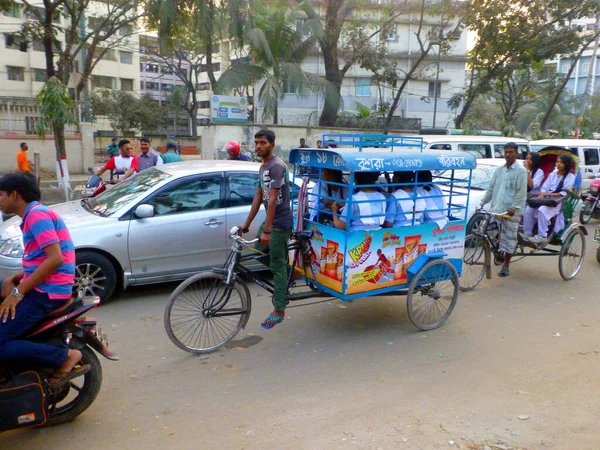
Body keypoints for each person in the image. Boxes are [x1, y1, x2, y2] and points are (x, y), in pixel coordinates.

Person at [0, 172, 88, 387]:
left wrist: (17, 293)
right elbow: (39, 259)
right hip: (44, 286)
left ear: (14, 195)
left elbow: (55, 259)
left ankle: (64, 356)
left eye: (1, 194)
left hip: (47, 294)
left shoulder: (37, 216)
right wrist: (16, 278)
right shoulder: (32, 216)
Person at [239, 129, 293, 330]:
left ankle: (279, 310)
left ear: (272, 144)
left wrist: (268, 230)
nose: (258, 146)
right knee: (259, 254)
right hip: (271, 220)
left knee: (276, 264)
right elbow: (258, 196)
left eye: (262, 142)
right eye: (256, 143)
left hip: (280, 222)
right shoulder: (263, 167)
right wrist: (247, 224)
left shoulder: (277, 166)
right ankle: (290, 275)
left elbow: (272, 199)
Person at [478, 142, 527, 277]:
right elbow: (491, 188)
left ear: (516, 154)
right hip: (497, 208)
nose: (508, 154)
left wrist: (514, 207)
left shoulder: (521, 171)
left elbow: (521, 192)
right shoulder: (499, 170)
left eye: (511, 152)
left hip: (511, 211)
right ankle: (498, 252)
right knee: (489, 231)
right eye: (506, 152)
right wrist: (482, 203)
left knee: (509, 238)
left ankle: (506, 265)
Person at [523, 153, 576, 245]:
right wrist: (542, 194)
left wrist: (546, 194)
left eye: (561, 162)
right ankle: (527, 233)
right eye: (557, 162)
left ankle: (542, 236)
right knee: (528, 209)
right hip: (546, 199)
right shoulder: (553, 174)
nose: (558, 164)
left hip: (557, 202)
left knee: (542, 210)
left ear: (566, 164)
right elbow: (544, 187)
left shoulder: (570, 177)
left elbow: (563, 192)